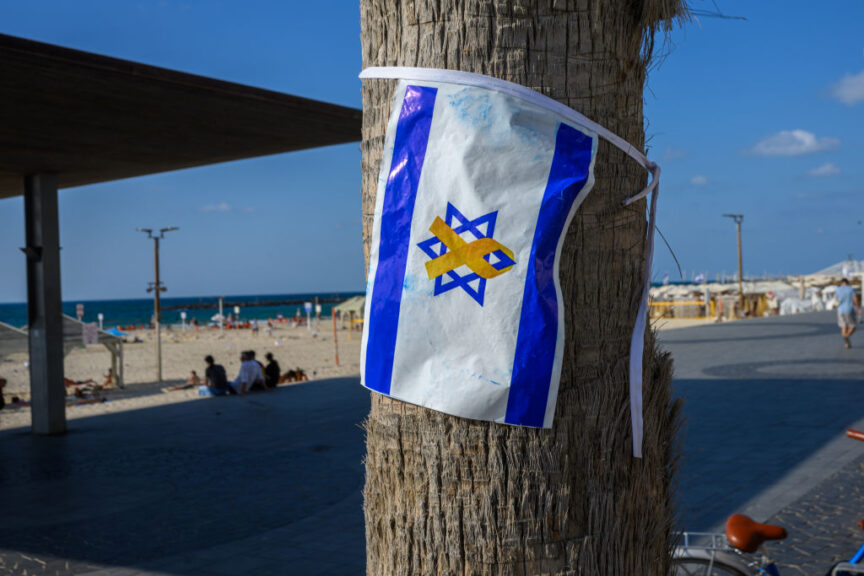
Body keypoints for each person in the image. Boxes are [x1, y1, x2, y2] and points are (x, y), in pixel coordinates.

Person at [836, 278, 862, 349]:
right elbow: (855, 299)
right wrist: (858, 308)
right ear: (847, 283)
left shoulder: (838, 289)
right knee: (853, 326)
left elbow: (836, 300)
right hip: (849, 310)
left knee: (843, 326)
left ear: (841, 283)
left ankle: (847, 343)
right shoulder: (851, 289)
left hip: (840, 311)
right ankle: (847, 336)